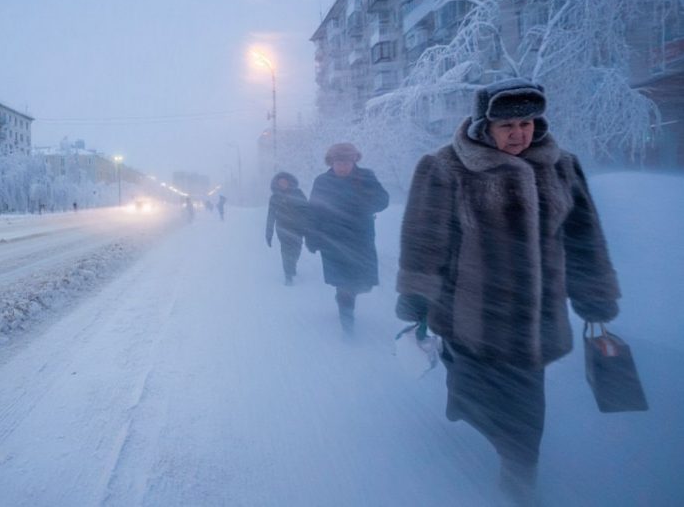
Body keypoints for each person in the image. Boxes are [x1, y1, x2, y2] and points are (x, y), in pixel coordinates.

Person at [395, 78, 620, 504]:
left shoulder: (561, 166)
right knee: (480, 389)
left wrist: (594, 294)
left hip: (535, 320)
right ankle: (485, 423)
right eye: (507, 126)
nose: (519, 134)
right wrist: (416, 293)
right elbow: (426, 238)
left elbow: (584, 237)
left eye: (527, 123)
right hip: (470, 314)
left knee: (524, 410)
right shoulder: (446, 167)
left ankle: (518, 475)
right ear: (484, 127)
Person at [306, 143, 389, 334]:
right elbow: (313, 211)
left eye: (347, 162)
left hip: (360, 240)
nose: (342, 167)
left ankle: (346, 300)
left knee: (360, 283)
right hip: (332, 240)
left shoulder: (365, 177)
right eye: (338, 162)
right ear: (331, 162)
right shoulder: (322, 181)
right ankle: (347, 323)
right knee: (343, 283)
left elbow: (383, 199)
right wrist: (312, 237)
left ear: (354, 161)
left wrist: (362, 203)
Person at [265, 172, 309, 285]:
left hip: (298, 228)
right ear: (277, 184)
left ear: (289, 182)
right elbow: (271, 215)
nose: (283, 184)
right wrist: (269, 233)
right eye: (280, 183)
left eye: (285, 182)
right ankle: (288, 275)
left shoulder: (298, 193)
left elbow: (307, 209)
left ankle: (292, 265)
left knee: (297, 249)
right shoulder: (274, 197)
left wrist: (309, 226)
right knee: (285, 251)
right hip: (283, 228)